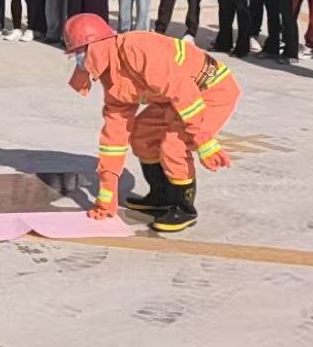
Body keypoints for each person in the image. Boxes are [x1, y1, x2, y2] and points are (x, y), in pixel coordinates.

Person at [64, 14, 241, 235]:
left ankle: (183, 208)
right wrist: (107, 193)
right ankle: (160, 197)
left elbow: (183, 93)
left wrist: (203, 140)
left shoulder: (137, 49)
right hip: (170, 100)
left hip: (209, 91)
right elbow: (114, 137)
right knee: (142, 135)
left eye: (80, 52)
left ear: (96, 46)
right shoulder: (111, 76)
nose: (79, 60)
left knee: (174, 146)